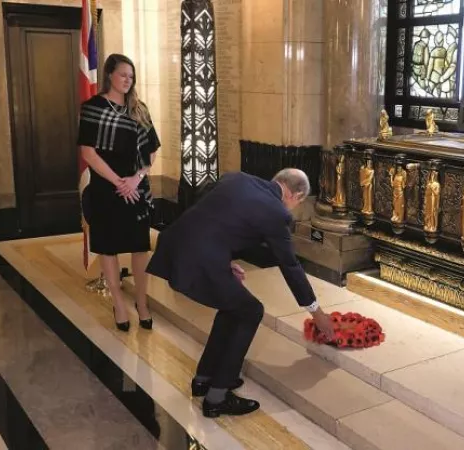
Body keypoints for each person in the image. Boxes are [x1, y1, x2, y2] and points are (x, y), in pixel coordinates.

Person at [146, 169, 336, 418]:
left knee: (234, 306)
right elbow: (290, 266)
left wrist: (222, 259)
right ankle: (217, 397)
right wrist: (316, 313)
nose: (293, 209)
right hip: (199, 259)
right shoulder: (276, 212)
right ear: (295, 194)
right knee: (251, 310)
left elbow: (210, 214)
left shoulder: (236, 178)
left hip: (176, 242)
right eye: (298, 203)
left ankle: (204, 379)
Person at [78, 54, 160, 332]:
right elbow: (88, 152)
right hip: (105, 190)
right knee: (108, 248)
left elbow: (151, 154)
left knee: (140, 247)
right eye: (123, 74)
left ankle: (141, 301)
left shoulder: (140, 109)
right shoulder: (93, 108)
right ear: (110, 74)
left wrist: (135, 179)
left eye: (131, 76)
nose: (128, 80)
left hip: (136, 190)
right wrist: (118, 182)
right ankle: (119, 304)